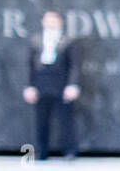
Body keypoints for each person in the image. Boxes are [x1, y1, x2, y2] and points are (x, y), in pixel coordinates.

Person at [23, 10, 80, 160]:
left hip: (61, 84)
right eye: (48, 20)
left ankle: (69, 151)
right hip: (41, 84)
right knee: (41, 121)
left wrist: (72, 85)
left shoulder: (68, 41)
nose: (51, 23)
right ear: (43, 22)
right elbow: (29, 65)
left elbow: (74, 65)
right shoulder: (36, 40)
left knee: (65, 120)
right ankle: (41, 152)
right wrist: (29, 86)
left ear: (59, 22)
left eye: (54, 20)